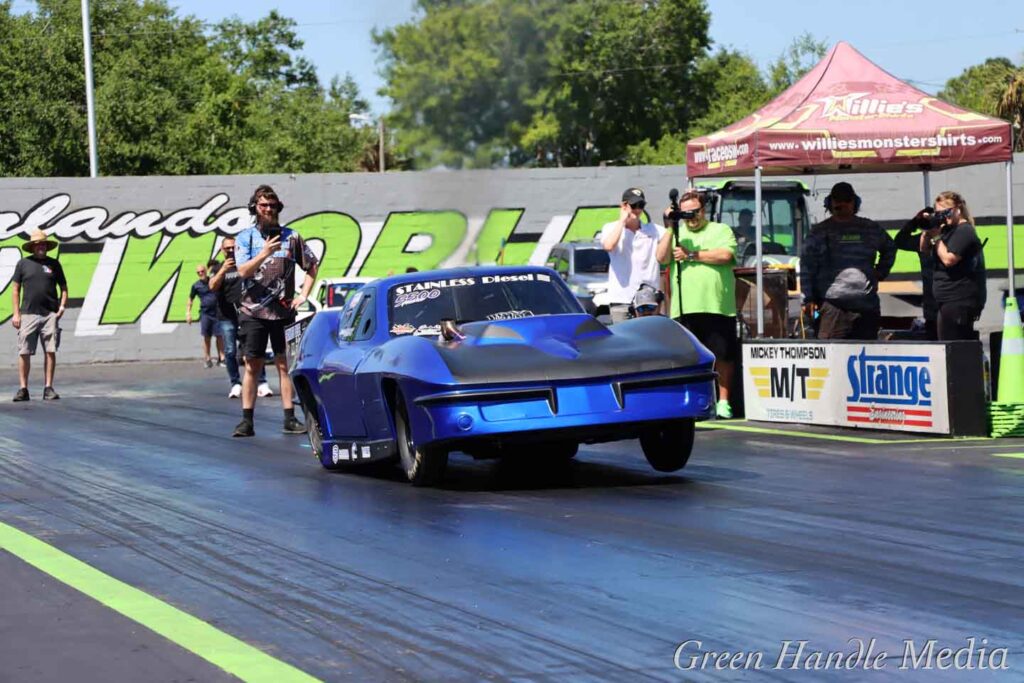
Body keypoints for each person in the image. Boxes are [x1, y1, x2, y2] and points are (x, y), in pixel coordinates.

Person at [232, 184, 319, 437]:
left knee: (284, 364)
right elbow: (243, 271)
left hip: (283, 312)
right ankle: (247, 420)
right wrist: (264, 253)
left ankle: (289, 417)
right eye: (263, 205)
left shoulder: (292, 237)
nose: (268, 209)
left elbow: (312, 265)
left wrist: (303, 295)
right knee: (252, 364)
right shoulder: (245, 238)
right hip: (252, 311)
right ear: (255, 208)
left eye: (272, 206)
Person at [657, 191, 738, 419]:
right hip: (684, 307)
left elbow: (725, 255)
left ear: (703, 210)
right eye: (686, 213)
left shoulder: (720, 230)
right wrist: (670, 227)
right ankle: (693, 400)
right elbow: (661, 257)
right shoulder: (677, 233)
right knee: (688, 358)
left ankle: (723, 402)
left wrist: (691, 254)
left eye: (695, 211)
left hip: (717, 305)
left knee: (722, 355)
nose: (691, 217)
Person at [799, 182, 896, 341]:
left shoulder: (870, 228)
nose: (841, 205)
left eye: (845, 201)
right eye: (837, 201)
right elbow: (806, 265)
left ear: (854, 203)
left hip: (866, 308)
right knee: (831, 358)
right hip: (831, 308)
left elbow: (890, 248)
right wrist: (808, 299)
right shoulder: (819, 232)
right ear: (830, 204)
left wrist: (880, 272)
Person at [208, 236, 271, 399]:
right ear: (222, 250)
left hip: (247, 313)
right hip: (226, 316)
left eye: (233, 247)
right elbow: (212, 287)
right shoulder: (217, 268)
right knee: (229, 351)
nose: (230, 250)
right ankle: (235, 383)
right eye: (227, 248)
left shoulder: (245, 264)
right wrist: (223, 270)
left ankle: (262, 382)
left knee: (254, 349)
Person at [11, 229, 68, 401]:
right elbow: (15, 289)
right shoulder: (23, 264)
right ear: (32, 247)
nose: (41, 247)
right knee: (24, 351)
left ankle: (48, 388)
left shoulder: (54, 264)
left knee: (50, 351)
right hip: (27, 314)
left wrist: (62, 306)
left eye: (43, 244)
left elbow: (64, 288)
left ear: (46, 246)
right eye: (37, 244)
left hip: (49, 314)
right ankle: (23, 389)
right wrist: (16, 313)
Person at [601, 187, 671, 324]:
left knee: (650, 341)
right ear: (624, 206)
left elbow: (665, 252)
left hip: (649, 300)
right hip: (622, 299)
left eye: (641, 206)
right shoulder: (611, 228)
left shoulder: (654, 230)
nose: (637, 210)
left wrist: (671, 221)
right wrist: (622, 221)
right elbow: (609, 246)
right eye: (634, 205)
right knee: (625, 343)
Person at [927, 190, 986, 341]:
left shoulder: (964, 231)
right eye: (938, 213)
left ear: (957, 210)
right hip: (947, 300)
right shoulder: (947, 231)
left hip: (959, 300)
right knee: (947, 345)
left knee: (953, 347)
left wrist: (936, 237)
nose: (942, 217)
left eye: (945, 212)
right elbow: (923, 249)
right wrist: (927, 230)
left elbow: (949, 259)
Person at [895, 208, 939, 340]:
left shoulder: (950, 237)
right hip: (931, 305)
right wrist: (915, 222)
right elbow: (899, 241)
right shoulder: (922, 239)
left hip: (949, 303)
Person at [186, 263, 224, 368]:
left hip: (217, 312)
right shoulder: (196, 286)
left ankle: (222, 358)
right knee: (206, 337)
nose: (200, 274)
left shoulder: (213, 281)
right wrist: (188, 313)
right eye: (198, 272)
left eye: (202, 271)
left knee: (219, 336)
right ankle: (207, 359)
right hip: (205, 314)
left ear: (206, 271)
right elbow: (190, 299)